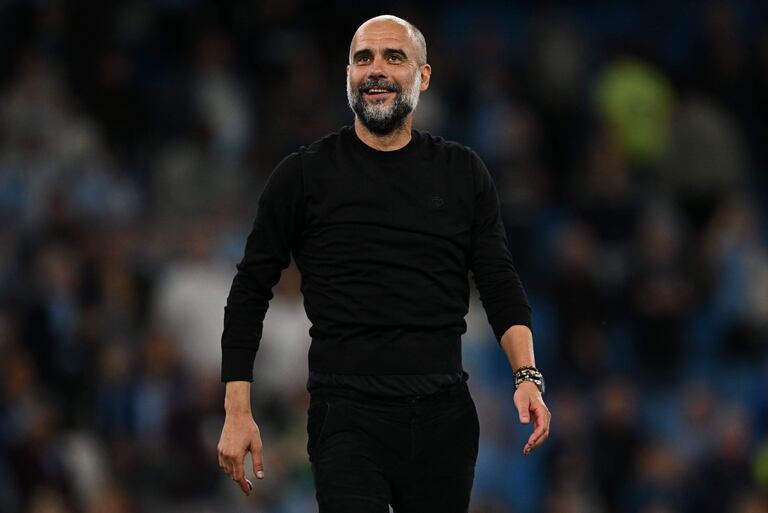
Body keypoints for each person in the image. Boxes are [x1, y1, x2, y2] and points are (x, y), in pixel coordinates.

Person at [217, 14, 551, 512]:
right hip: (345, 417)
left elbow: (500, 283)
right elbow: (249, 291)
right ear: (348, 75)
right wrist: (237, 409)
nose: (376, 69)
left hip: (444, 421)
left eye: (394, 57)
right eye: (363, 58)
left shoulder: (463, 173)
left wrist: (527, 376)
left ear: (423, 75)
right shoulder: (302, 176)